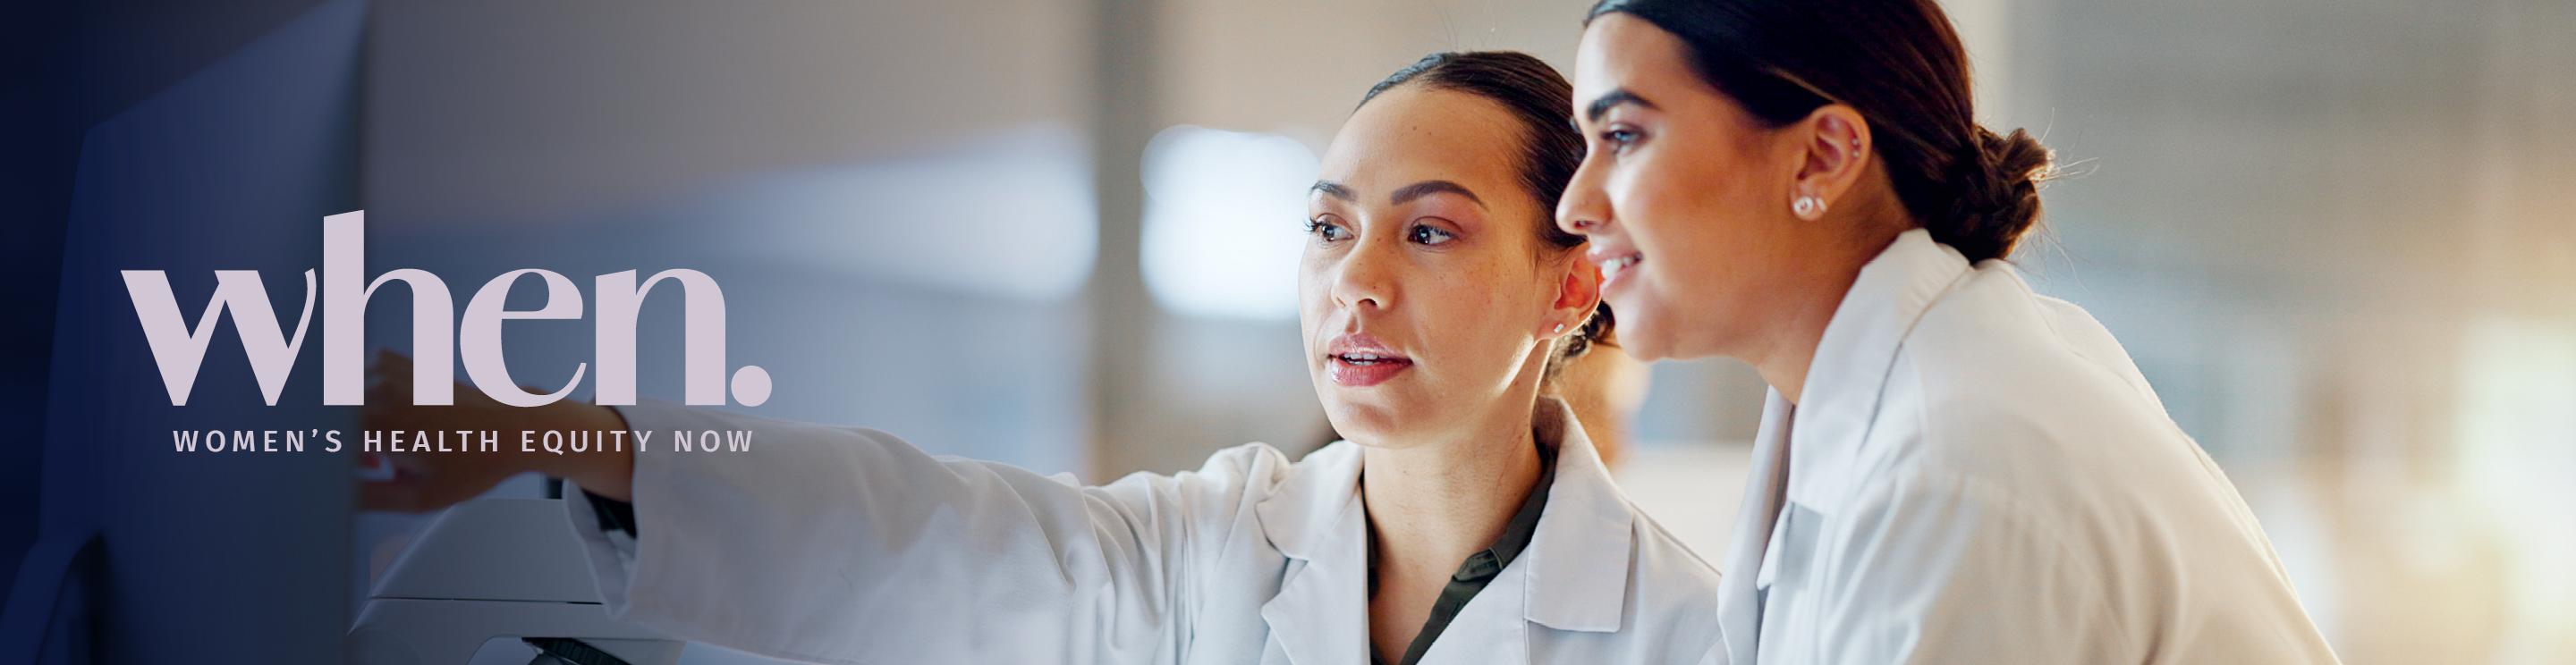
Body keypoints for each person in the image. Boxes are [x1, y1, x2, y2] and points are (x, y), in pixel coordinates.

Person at [362, 51, 1727, 665]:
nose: (1354, 283)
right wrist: (560, 431)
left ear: (1570, 285)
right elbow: (933, 539)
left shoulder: (1693, 638)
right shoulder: (1207, 549)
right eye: (1328, 228)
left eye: (1429, 231)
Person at [1555, 0, 2340, 661]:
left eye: (1622, 136)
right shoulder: (1934, 383)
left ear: (1820, 158)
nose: (1574, 206)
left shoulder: (1953, 468)